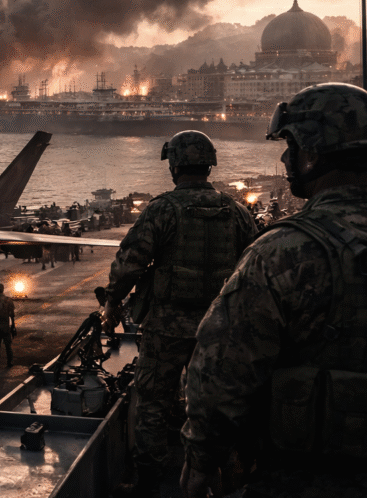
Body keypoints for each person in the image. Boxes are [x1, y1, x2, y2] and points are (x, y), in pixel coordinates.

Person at [181, 83, 367, 498]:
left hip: (305, 482)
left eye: (291, 146)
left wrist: (201, 459)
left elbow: (218, 374)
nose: (285, 158)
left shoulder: (282, 252)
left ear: (313, 153)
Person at [101, 130, 257, 495]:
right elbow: (254, 264)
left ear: (173, 165)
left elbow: (129, 264)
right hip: (220, 329)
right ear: (209, 164)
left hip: (167, 327)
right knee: (222, 403)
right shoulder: (235, 211)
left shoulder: (162, 210)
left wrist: (112, 301)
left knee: (154, 403)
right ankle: (228, 475)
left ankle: (151, 480)